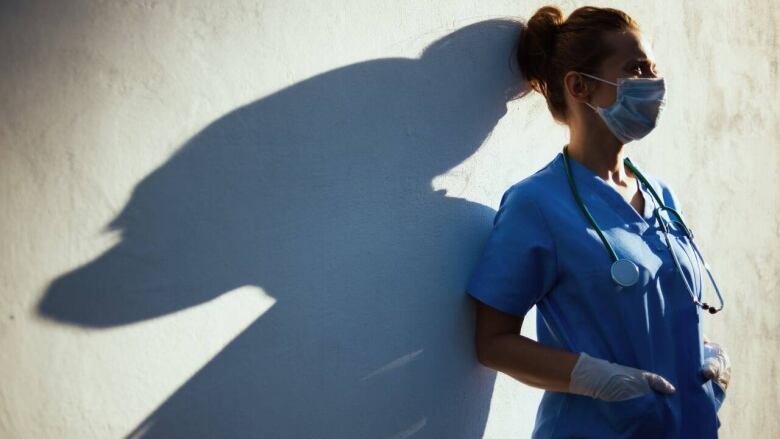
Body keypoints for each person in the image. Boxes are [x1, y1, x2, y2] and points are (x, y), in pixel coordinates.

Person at [465, 6, 732, 438]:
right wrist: (593, 378)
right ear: (580, 86)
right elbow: (493, 342)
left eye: (653, 69)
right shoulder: (537, 204)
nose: (654, 83)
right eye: (636, 68)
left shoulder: (662, 197)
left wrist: (712, 362)